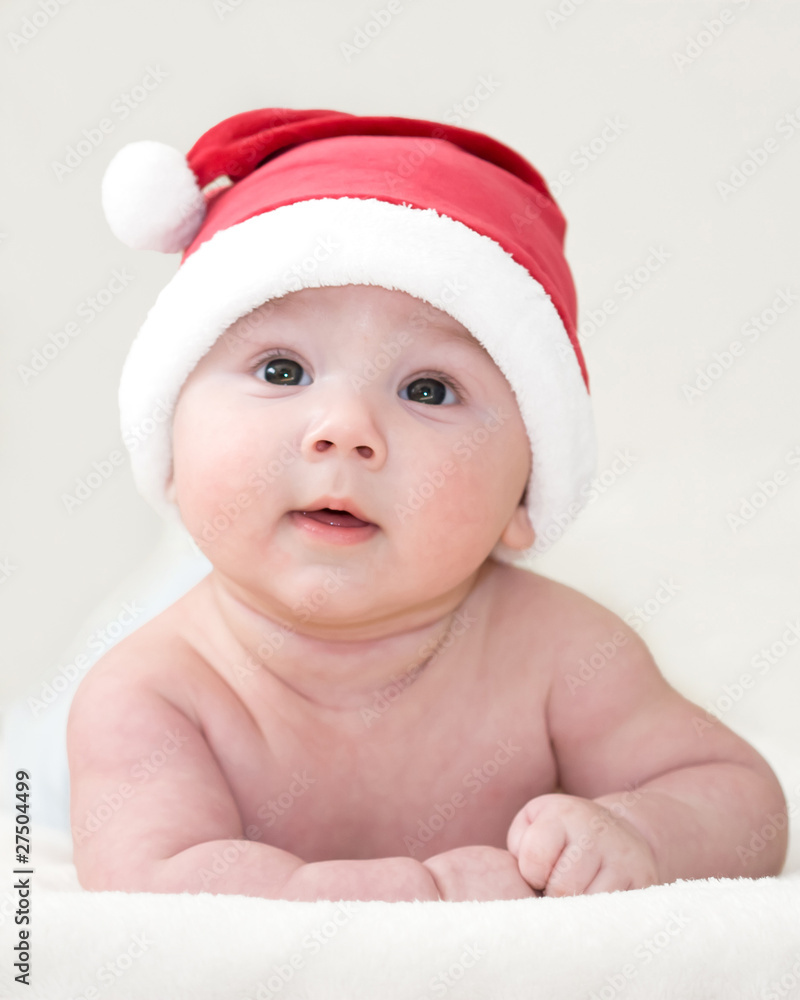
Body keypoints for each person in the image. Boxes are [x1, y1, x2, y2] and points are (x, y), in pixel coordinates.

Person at [67, 108, 788, 902]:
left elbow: (742, 800)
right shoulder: (154, 693)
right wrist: (406, 900)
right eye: (281, 371)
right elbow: (153, 896)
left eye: (428, 390)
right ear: (170, 449)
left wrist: (643, 835)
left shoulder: (560, 652)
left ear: (525, 496)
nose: (345, 431)